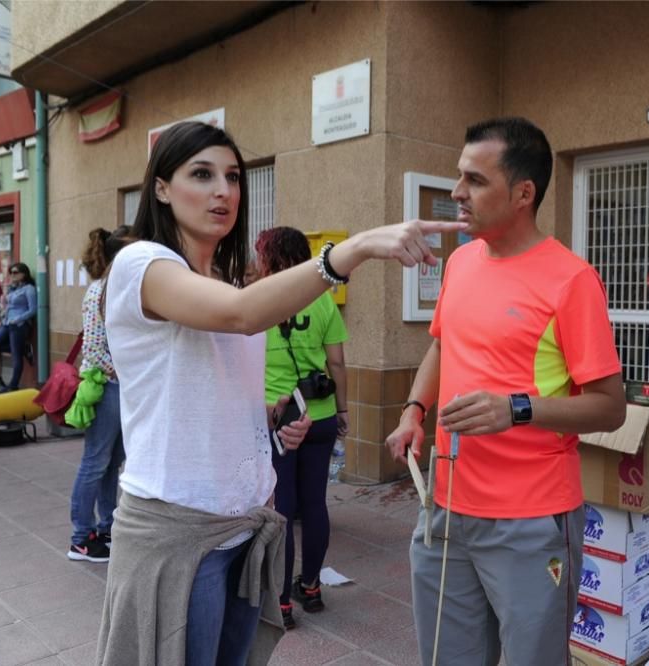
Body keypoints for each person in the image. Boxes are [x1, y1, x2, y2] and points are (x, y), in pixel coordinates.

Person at [95, 121, 461, 666]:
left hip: (244, 524)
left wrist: (270, 419)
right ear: (162, 189)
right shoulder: (140, 264)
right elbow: (239, 317)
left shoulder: (225, 277)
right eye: (202, 174)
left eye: (234, 177)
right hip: (178, 533)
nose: (224, 190)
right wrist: (350, 252)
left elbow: (210, 385)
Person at [386, 117, 626, 665]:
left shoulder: (571, 280)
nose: (457, 193)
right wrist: (412, 411)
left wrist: (515, 409)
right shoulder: (462, 262)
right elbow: (443, 347)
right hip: (445, 506)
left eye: (474, 180)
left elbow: (611, 408)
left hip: (531, 521)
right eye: (458, 176)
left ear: (523, 193)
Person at [255, 226, 350, 630]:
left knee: (284, 508)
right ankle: (310, 587)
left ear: (267, 259)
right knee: (316, 504)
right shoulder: (322, 298)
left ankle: (281, 602)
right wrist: (343, 411)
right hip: (322, 413)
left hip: (277, 418)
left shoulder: (258, 301)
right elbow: (338, 363)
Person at [66, 226, 133, 563]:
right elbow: (93, 349)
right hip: (107, 387)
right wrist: (125, 373)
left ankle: (106, 528)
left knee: (110, 463)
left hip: (119, 387)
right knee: (94, 462)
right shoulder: (100, 291)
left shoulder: (115, 287)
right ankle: (80, 537)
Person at [0, 262, 37, 393]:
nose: (12, 275)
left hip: (19, 325)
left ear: (24, 274)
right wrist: (3, 313)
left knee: (16, 356)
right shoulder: (13, 289)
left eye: (15, 272)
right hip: (7, 323)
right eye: (11, 273)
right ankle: (23, 350)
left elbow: (33, 310)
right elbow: (8, 306)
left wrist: (18, 319)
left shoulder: (29, 289)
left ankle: (13, 385)